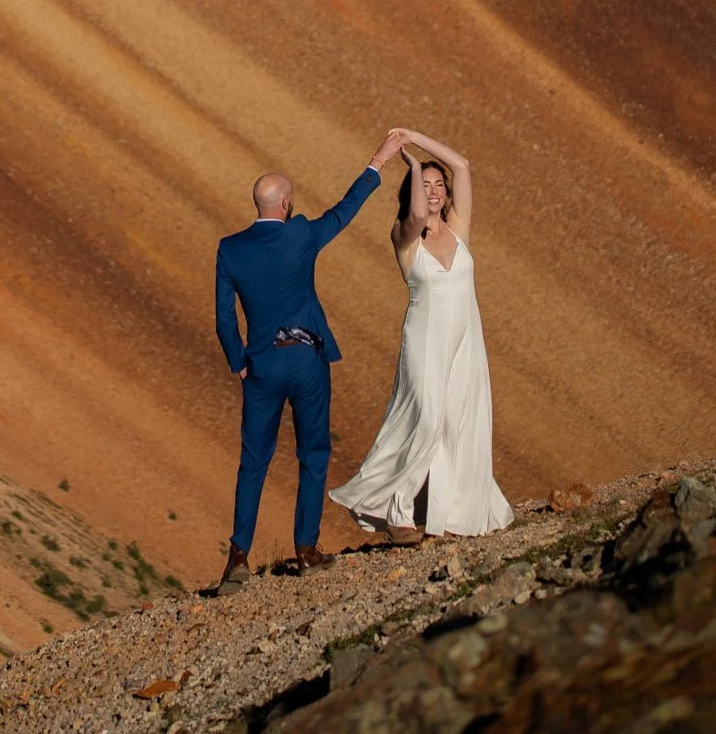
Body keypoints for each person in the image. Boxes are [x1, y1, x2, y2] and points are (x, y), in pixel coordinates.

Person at [214, 130, 404, 591]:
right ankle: (305, 550)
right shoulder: (300, 234)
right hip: (305, 363)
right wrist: (377, 163)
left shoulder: (230, 249)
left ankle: (238, 558)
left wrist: (239, 360)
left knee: (254, 461)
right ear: (284, 205)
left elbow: (223, 316)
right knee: (313, 453)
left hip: (260, 367)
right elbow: (344, 211)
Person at [330, 128, 512, 543]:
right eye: (423, 186)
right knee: (426, 419)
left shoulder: (458, 228)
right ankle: (398, 514)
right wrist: (411, 165)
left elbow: (462, 165)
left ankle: (448, 515)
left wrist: (414, 138)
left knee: (458, 422)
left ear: (447, 194)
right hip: (425, 342)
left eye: (436, 185)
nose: (431, 191)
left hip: (466, 342)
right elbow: (414, 217)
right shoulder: (404, 236)